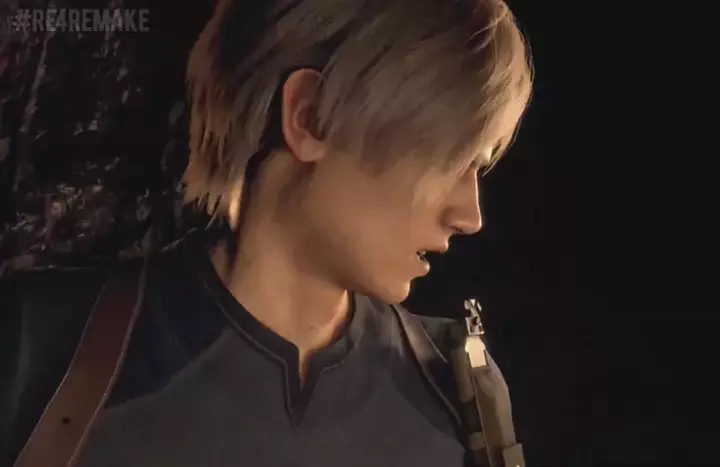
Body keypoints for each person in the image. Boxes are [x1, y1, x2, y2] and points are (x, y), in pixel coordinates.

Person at [0, 0, 532, 465]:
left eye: (477, 166)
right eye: (447, 158)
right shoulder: (37, 348)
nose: (469, 215)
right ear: (310, 116)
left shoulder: (460, 394)